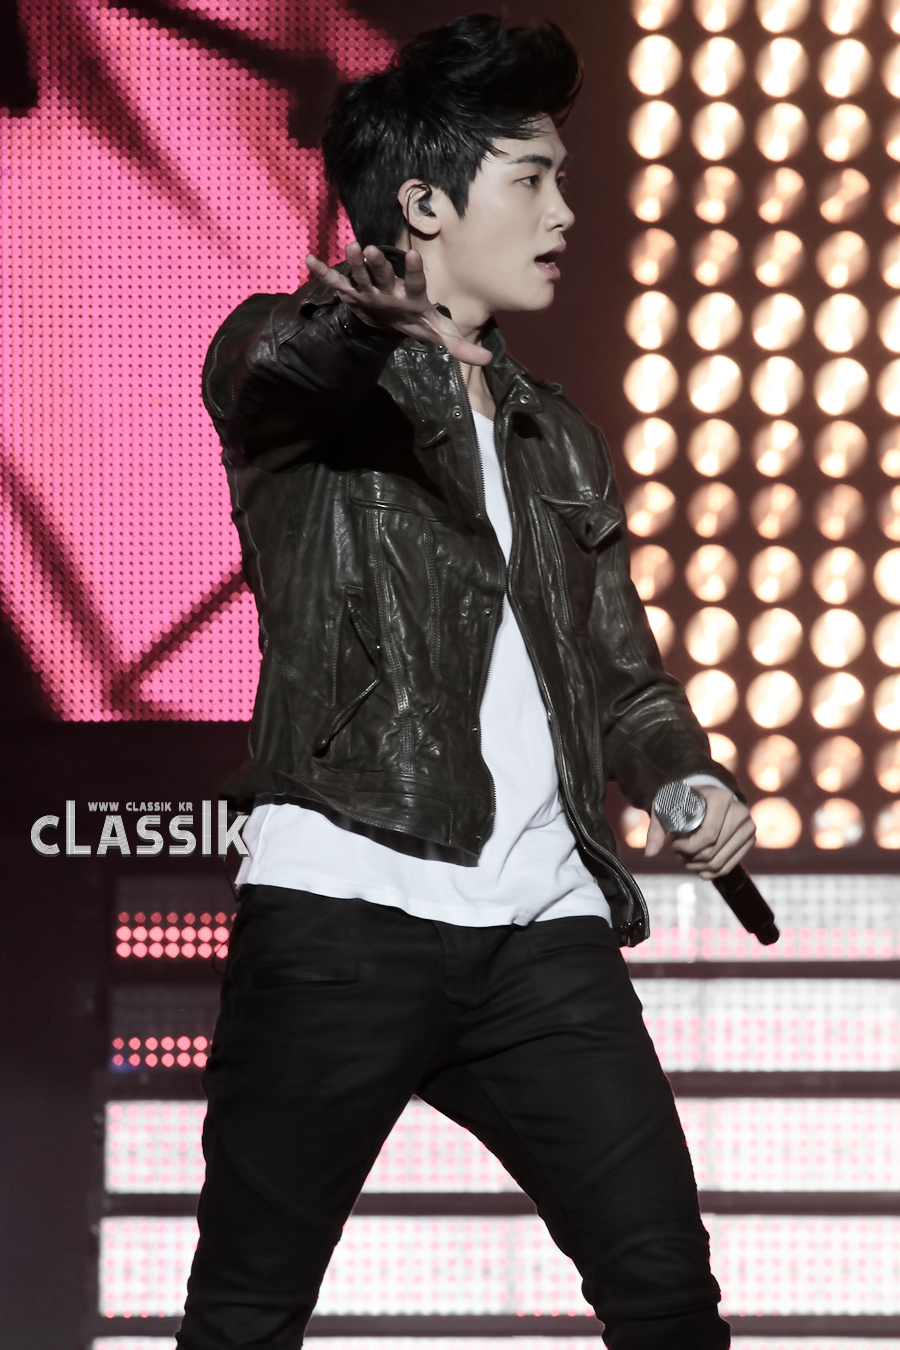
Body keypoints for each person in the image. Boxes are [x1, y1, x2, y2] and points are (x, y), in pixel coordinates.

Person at [180, 14, 756, 1349]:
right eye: (531, 179)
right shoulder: (298, 361)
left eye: (562, 178)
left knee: (669, 1297)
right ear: (426, 205)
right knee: (247, 1313)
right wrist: (364, 328)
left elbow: (620, 673)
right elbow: (282, 372)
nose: (565, 213)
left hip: (542, 927)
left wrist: (683, 778)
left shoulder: (558, 434)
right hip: (344, 914)